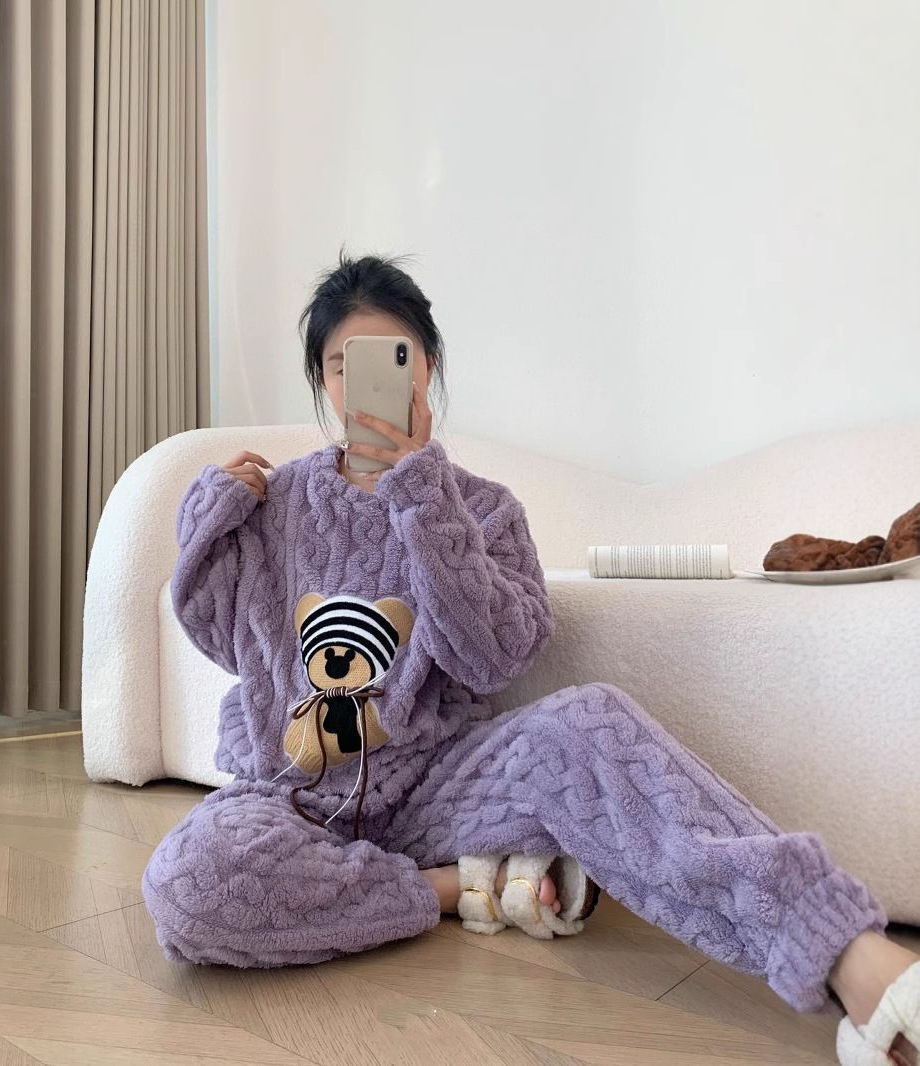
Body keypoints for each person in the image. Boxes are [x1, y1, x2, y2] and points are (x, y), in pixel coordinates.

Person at [143, 250, 919, 1065]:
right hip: (292, 795)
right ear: (321, 381)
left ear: (426, 368)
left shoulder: (481, 507)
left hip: (439, 788)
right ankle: (458, 887)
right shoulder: (278, 503)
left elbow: (494, 658)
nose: (364, 383)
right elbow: (220, 637)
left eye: (393, 358)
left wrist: (422, 496)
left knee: (587, 724)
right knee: (187, 888)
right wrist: (209, 516)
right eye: (342, 365)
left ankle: (845, 951)